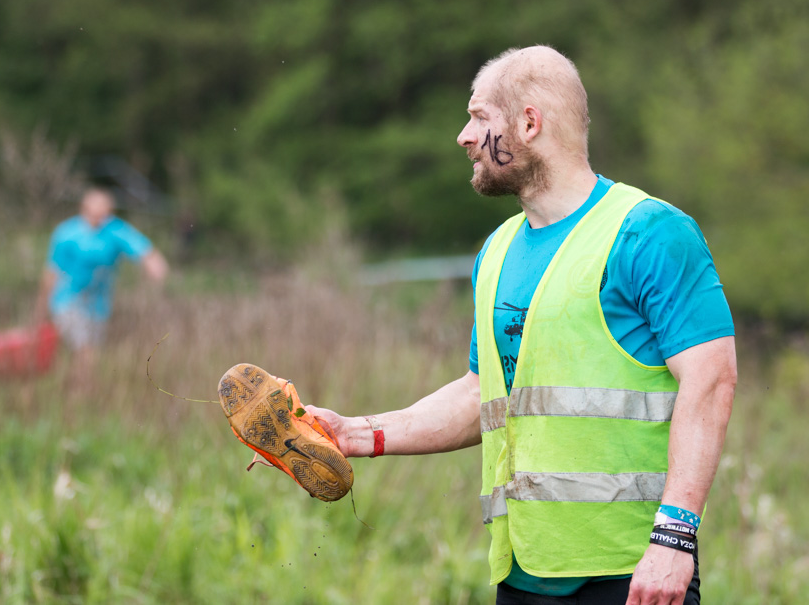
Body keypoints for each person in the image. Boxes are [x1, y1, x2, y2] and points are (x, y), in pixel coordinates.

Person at [273, 45, 735, 604]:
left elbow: (711, 379)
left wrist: (674, 537)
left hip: (633, 574)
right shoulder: (496, 251)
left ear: (529, 123)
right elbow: (481, 395)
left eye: (478, 117)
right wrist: (355, 433)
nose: (464, 137)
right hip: (521, 575)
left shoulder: (650, 232)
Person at [36, 187, 168, 376]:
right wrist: (41, 308)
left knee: (88, 353)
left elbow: (142, 249)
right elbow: (51, 273)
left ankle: (76, 391)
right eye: (95, 209)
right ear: (84, 208)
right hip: (67, 300)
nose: (100, 215)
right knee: (85, 351)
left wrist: (154, 263)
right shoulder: (66, 233)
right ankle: (84, 393)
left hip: (98, 305)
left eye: (105, 210)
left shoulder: (115, 230)